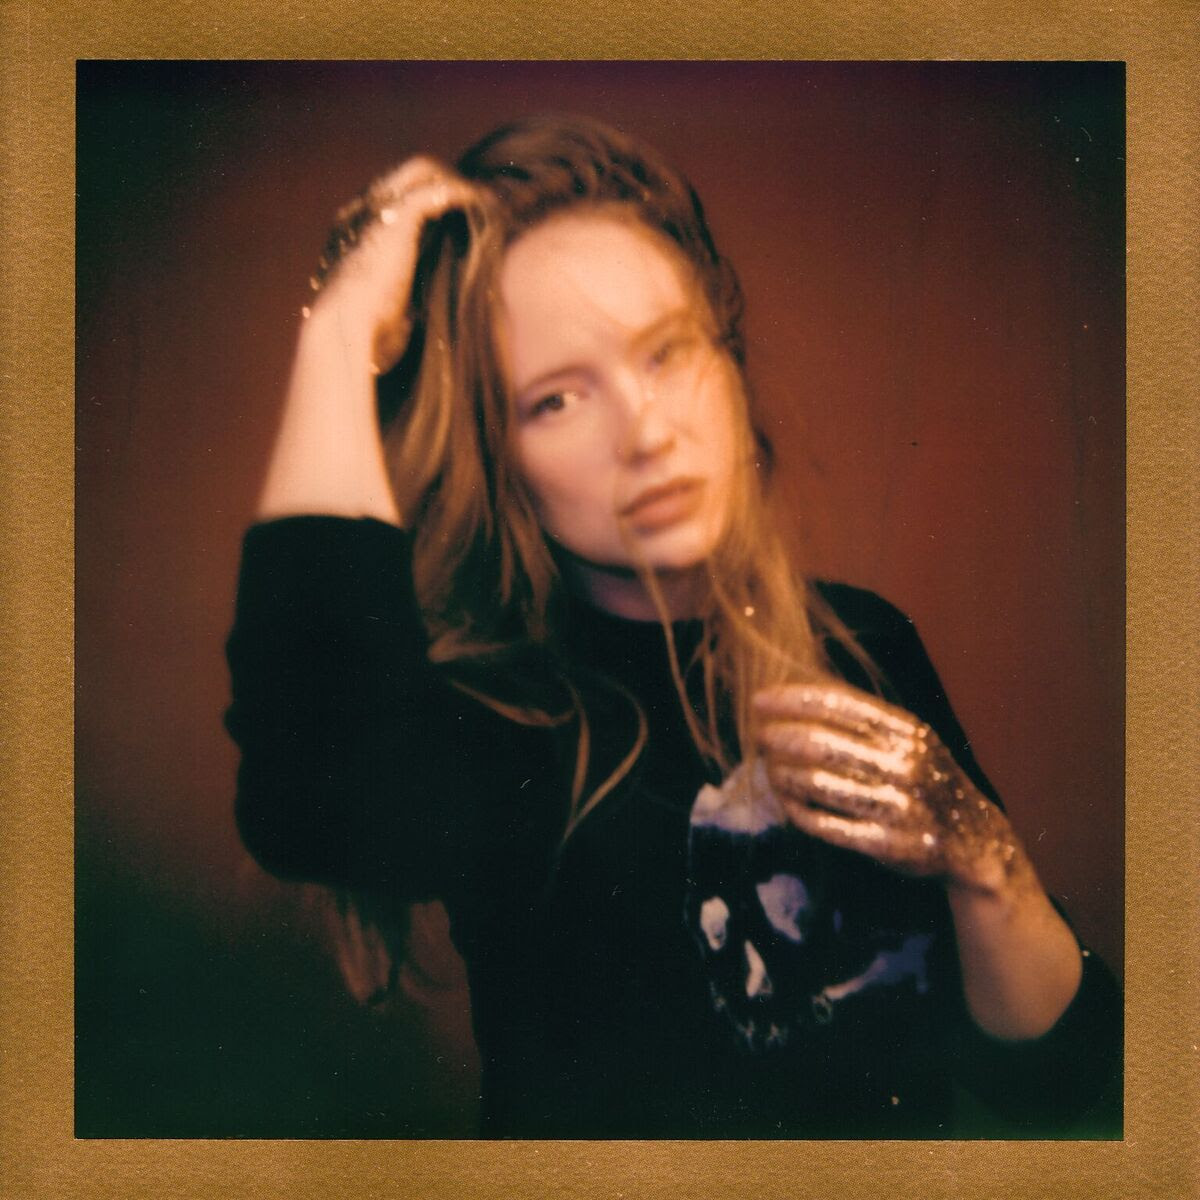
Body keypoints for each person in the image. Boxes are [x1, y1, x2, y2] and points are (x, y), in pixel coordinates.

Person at [225, 114, 1120, 1138]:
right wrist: (340, 337)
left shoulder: (864, 645)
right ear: (501, 456)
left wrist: (985, 865)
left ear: (728, 360)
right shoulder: (499, 717)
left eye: (666, 353)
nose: (648, 432)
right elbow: (303, 799)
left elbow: (1059, 1077)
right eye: (556, 401)